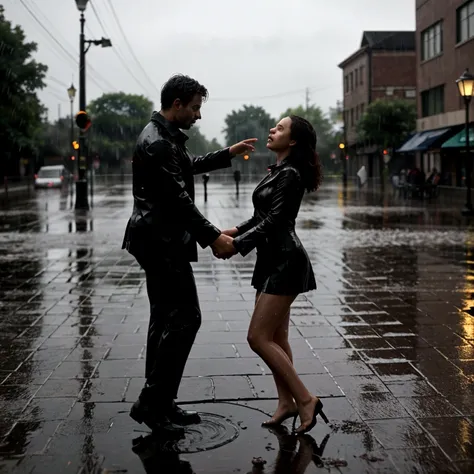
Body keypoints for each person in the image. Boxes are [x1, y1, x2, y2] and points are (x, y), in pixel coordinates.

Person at [122, 74, 256, 438]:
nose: (198, 115)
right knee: (186, 318)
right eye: (195, 107)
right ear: (177, 104)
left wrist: (228, 153)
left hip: (157, 239)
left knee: (165, 319)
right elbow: (176, 200)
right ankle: (152, 403)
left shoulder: (161, 136)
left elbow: (187, 165)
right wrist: (213, 237)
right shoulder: (158, 142)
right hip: (161, 241)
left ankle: (161, 402)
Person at [221, 116, 328, 435]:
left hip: (285, 262)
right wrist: (235, 230)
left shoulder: (291, 174)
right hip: (271, 261)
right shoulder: (279, 171)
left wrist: (237, 245)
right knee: (277, 338)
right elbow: (261, 216)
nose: (272, 130)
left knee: (257, 337)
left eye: (280, 128)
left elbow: (278, 221)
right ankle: (287, 402)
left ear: (293, 141)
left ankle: (306, 399)